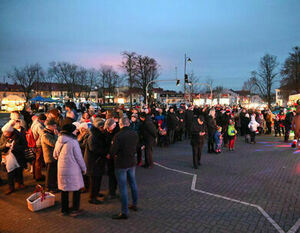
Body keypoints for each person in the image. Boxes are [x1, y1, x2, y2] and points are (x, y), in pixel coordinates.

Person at [53, 123, 86, 216]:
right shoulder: (73, 142)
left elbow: (55, 155)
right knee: (76, 189)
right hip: (73, 169)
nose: (76, 131)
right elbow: (79, 157)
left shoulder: (59, 140)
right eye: (75, 130)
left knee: (64, 189)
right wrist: (84, 168)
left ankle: (64, 209)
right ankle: (75, 210)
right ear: (71, 131)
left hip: (61, 169)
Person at [111, 117, 139, 220]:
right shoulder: (134, 133)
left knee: (122, 187)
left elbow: (113, 151)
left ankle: (124, 212)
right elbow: (136, 146)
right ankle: (135, 204)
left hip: (121, 163)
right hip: (131, 161)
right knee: (133, 183)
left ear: (120, 124)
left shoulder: (118, 136)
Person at [0, 120, 27, 195]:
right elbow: (0, 146)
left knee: (19, 170)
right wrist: (5, 145)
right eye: (4, 132)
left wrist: (15, 147)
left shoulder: (19, 135)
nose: (5, 134)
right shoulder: (3, 136)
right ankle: (11, 187)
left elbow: (25, 145)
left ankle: (20, 183)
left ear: (10, 132)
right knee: (10, 172)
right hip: (8, 157)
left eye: (6, 133)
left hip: (18, 156)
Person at [84, 118, 106, 204]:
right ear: (100, 127)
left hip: (97, 161)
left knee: (98, 179)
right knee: (94, 180)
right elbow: (93, 149)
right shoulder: (92, 136)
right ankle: (92, 197)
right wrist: (104, 152)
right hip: (93, 162)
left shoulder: (97, 134)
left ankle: (96, 193)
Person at [41, 119, 58, 192]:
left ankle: (53, 186)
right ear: (49, 126)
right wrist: (56, 135)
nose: (55, 127)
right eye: (54, 125)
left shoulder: (49, 133)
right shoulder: (45, 135)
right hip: (49, 157)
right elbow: (54, 143)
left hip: (53, 157)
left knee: (53, 173)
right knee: (50, 174)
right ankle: (48, 187)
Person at [104, 118, 118, 199]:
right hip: (109, 156)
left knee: (115, 174)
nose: (108, 130)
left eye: (109, 128)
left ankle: (113, 191)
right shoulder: (106, 132)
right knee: (111, 174)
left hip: (115, 156)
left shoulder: (117, 132)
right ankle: (111, 191)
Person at [31, 113, 47, 181]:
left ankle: (36, 175)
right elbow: (43, 134)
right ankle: (38, 176)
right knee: (38, 161)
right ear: (42, 120)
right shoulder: (39, 125)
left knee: (36, 160)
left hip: (35, 144)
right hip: (38, 144)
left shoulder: (34, 123)